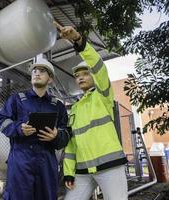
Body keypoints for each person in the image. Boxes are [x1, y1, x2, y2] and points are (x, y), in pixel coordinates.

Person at [55, 24, 128, 200]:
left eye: (85, 74)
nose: (80, 77)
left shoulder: (103, 95)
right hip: (82, 172)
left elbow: (98, 66)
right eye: (77, 75)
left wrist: (78, 40)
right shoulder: (76, 108)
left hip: (109, 167)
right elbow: (71, 145)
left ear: (93, 77)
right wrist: (69, 172)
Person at [0, 57, 71, 200]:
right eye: (34, 71)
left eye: (42, 71)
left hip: (46, 163)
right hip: (21, 161)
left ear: (50, 79)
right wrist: (19, 128)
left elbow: (66, 133)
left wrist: (56, 136)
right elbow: (3, 121)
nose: (37, 73)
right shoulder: (17, 99)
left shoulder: (58, 106)